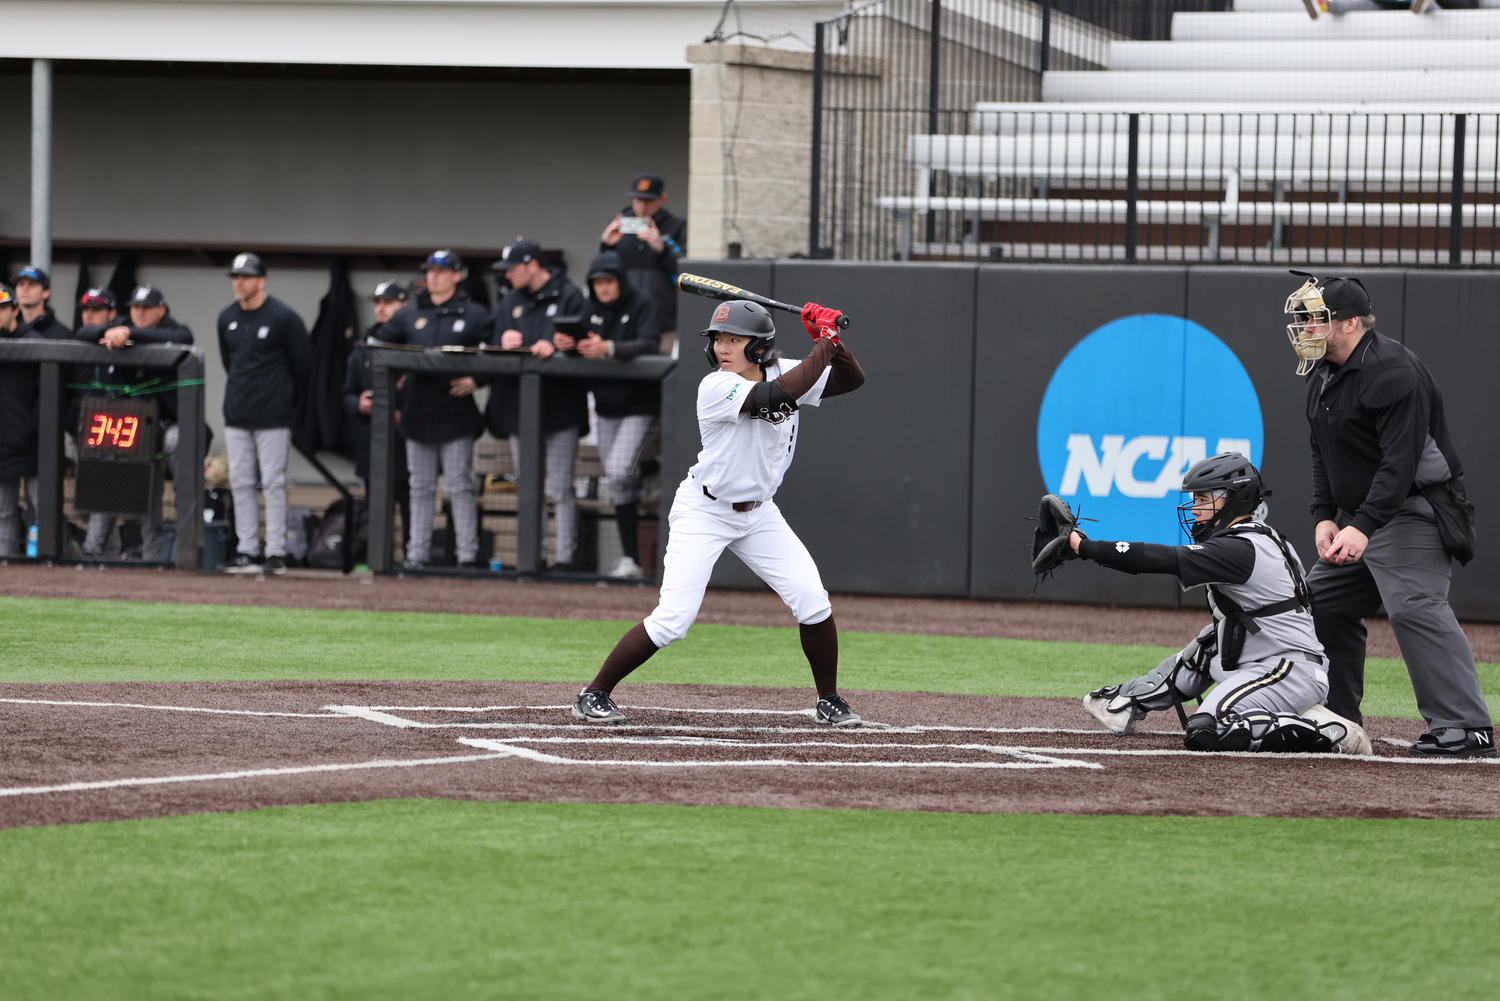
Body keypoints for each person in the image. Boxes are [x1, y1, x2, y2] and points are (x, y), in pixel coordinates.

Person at [571, 299, 866, 726]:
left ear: (761, 348)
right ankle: (593, 692)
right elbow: (776, 396)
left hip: (760, 513)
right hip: (704, 511)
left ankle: (829, 700)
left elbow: (851, 379)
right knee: (673, 619)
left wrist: (832, 344)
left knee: (812, 600)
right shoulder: (715, 387)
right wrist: (825, 339)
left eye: (735, 340)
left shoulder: (786, 370)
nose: (723, 348)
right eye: (719, 340)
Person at [1286, 273, 1494, 758]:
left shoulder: (1392, 371)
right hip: (1367, 516)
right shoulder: (1323, 374)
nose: (1306, 328)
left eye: (1318, 319)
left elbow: (1399, 465)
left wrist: (1362, 525)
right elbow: (1323, 453)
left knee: (1415, 606)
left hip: (1414, 510)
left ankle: (1467, 727)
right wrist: (1324, 515)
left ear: (1351, 323)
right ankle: (1338, 717)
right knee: (1321, 601)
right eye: (1305, 318)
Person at [1077, 453, 1371, 755]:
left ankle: (1328, 732)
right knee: (1208, 644)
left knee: (1208, 729)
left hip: (1286, 671)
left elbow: (1158, 559)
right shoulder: (1259, 537)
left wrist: (1084, 548)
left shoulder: (1239, 547)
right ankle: (1128, 702)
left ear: (1234, 499)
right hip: (1271, 661)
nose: (1195, 508)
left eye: (1203, 498)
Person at [379, 252, 487, 571]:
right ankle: (418, 554)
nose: (435, 277)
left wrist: (477, 379)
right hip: (417, 414)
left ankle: (467, 555)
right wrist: (394, 372)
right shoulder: (410, 313)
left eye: (442, 271)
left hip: (456, 412)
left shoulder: (475, 313)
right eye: (430, 271)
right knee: (421, 487)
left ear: (457, 276)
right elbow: (379, 344)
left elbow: (500, 350)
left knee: (459, 485)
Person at [488, 239, 588, 571]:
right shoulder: (509, 300)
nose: (507, 276)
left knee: (560, 486)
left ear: (532, 265)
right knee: (528, 485)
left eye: (512, 269)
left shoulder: (568, 293)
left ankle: (564, 559)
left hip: (560, 404)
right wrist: (502, 341)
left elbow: (583, 337)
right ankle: (533, 556)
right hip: (520, 406)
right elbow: (494, 338)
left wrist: (561, 345)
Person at [77, 285, 195, 559]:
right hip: (134, 427)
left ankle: (187, 545)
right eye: (135, 307)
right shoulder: (120, 325)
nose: (139, 313)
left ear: (161, 310)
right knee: (121, 481)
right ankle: (94, 550)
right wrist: (111, 332)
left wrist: (130, 334)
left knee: (178, 447)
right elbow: (83, 332)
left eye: (146, 308)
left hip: (168, 424)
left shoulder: (172, 328)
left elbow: (184, 337)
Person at [216, 252, 311, 575]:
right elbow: (230, 363)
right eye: (235, 277)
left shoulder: (283, 317)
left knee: (272, 482)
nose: (238, 283)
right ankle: (246, 550)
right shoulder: (226, 317)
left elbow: (303, 366)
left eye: (245, 276)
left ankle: (275, 552)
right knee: (240, 482)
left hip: (273, 414)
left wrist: (285, 402)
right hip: (237, 411)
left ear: (262, 280)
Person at [577, 251, 661, 578]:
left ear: (620, 281)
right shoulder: (590, 309)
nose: (603, 288)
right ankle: (630, 560)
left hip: (640, 404)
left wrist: (609, 348)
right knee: (619, 483)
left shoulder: (642, 303)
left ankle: (654, 468)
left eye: (608, 281)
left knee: (618, 470)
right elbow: (581, 342)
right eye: (597, 282)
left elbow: (651, 345)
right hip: (606, 407)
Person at [343, 280, 411, 548]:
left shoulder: (414, 343)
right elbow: (346, 395)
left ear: (404, 306)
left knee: (409, 503)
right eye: (378, 303)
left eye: (388, 303)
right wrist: (358, 404)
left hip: (406, 441)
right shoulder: (363, 349)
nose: (381, 309)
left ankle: (411, 555)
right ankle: (377, 558)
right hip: (372, 440)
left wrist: (402, 413)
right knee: (376, 505)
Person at [599, 173, 686, 340]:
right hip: (622, 320)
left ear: (662, 199)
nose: (642, 206)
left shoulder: (677, 227)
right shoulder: (618, 225)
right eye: (637, 199)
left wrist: (662, 249)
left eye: (648, 200)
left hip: (664, 322)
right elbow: (599, 271)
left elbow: (687, 272)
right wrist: (606, 246)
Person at [0, 284, 39, 558]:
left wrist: (36, 430)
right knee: (4, 512)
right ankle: (7, 567)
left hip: (35, 443)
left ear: (15, 310)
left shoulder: (34, 341)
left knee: (41, 508)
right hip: (3, 445)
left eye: (2, 308)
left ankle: (49, 566)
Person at [14, 266, 71, 340]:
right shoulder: (9, 330)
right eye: (21, 284)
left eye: (32, 284)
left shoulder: (62, 335)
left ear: (46, 292)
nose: (25, 289)